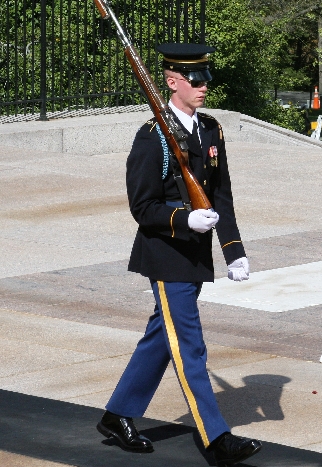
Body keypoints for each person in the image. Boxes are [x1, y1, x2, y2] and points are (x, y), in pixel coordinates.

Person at [97, 43, 262, 466]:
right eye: (195, 79)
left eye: (207, 77)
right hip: (166, 255)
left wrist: (234, 250)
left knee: (162, 337)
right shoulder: (153, 137)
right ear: (172, 82)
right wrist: (183, 221)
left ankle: (117, 415)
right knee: (190, 346)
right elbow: (142, 206)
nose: (204, 85)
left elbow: (219, 194)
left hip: (196, 257)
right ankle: (215, 438)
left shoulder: (211, 130)